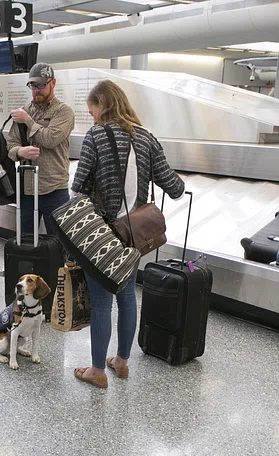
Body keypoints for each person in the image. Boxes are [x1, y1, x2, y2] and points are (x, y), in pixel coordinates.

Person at [70, 80, 185, 389]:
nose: (91, 115)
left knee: (102, 302)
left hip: (102, 232)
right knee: (127, 296)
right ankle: (121, 362)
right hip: (136, 234)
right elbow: (175, 188)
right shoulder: (147, 137)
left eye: (91, 109)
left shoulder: (95, 135)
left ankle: (97, 370)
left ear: (101, 105)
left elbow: (78, 186)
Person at [6, 62, 75, 235]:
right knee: (25, 241)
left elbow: (50, 139)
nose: (37, 89)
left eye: (41, 85)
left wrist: (28, 121)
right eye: (33, 85)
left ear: (53, 83)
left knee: (59, 242)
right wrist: (20, 152)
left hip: (54, 188)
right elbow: (11, 144)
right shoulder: (23, 111)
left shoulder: (63, 111)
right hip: (27, 188)